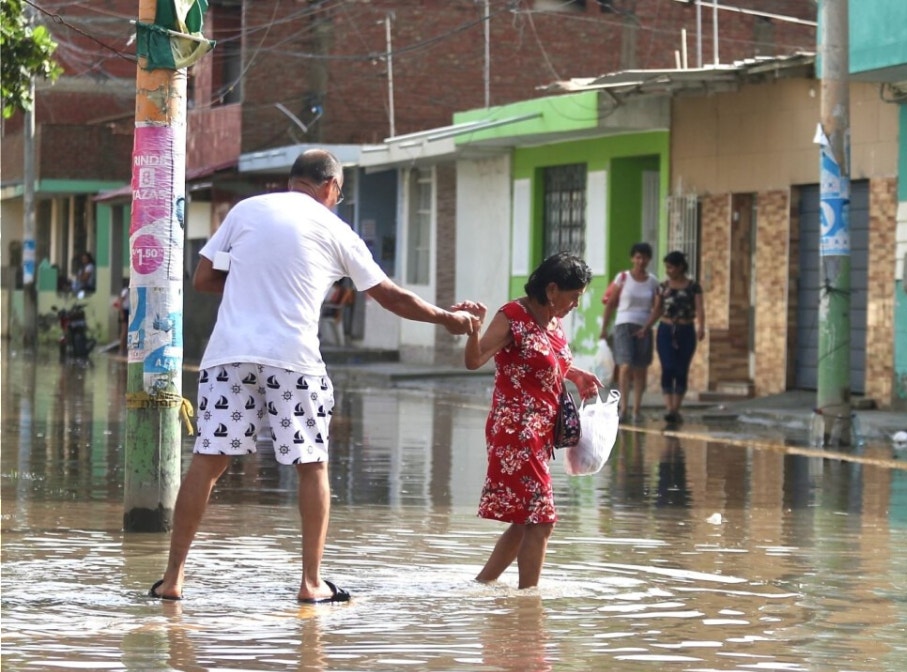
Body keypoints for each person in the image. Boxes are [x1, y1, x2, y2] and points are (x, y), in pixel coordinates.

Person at [148, 149, 481, 603]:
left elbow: (203, 277)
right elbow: (390, 296)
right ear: (330, 187)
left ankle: (173, 580)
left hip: (229, 356)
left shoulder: (247, 210)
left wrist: (254, 281)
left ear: (293, 179)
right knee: (312, 466)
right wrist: (447, 319)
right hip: (293, 361)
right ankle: (310, 583)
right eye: (338, 194)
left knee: (207, 463)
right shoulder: (334, 229)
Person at [463, 252, 603, 589]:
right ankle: (529, 603)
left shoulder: (552, 320)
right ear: (552, 289)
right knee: (541, 521)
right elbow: (475, 359)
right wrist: (473, 331)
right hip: (515, 430)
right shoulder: (513, 316)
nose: (575, 305)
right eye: (574, 297)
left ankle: (481, 585)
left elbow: (547, 362)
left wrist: (577, 374)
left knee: (526, 520)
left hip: (541, 433)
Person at [638, 250, 705, 424]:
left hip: (686, 329)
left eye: (671, 267)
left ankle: (676, 409)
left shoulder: (693, 287)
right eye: (666, 267)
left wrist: (701, 327)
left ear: (680, 267)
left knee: (682, 368)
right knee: (668, 367)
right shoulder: (663, 287)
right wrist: (647, 326)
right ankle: (669, 408)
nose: (668, 270)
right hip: (666, 330)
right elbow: (657, 310)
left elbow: (699, 308)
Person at [599, 242, 657, 421]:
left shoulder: (653, 281)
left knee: (640, 368)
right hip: (623, 325)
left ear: (649, 259)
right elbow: (610, 304)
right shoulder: (623, 278)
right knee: (625, 365)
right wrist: (604, 328)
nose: (641, 261)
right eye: (638, 257)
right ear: (633, 258)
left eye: (644, 257)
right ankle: (624, 408)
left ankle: (636, 409)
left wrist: (649, 325)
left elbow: (657, 306)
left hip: (644, 327)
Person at [318, 278, 354, 347]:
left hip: (335, 309)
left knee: (337, 329)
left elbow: (348, 292)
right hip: (330, 308)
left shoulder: (339, 288)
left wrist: (338, 310)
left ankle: (340, 345)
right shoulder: (334, 289)